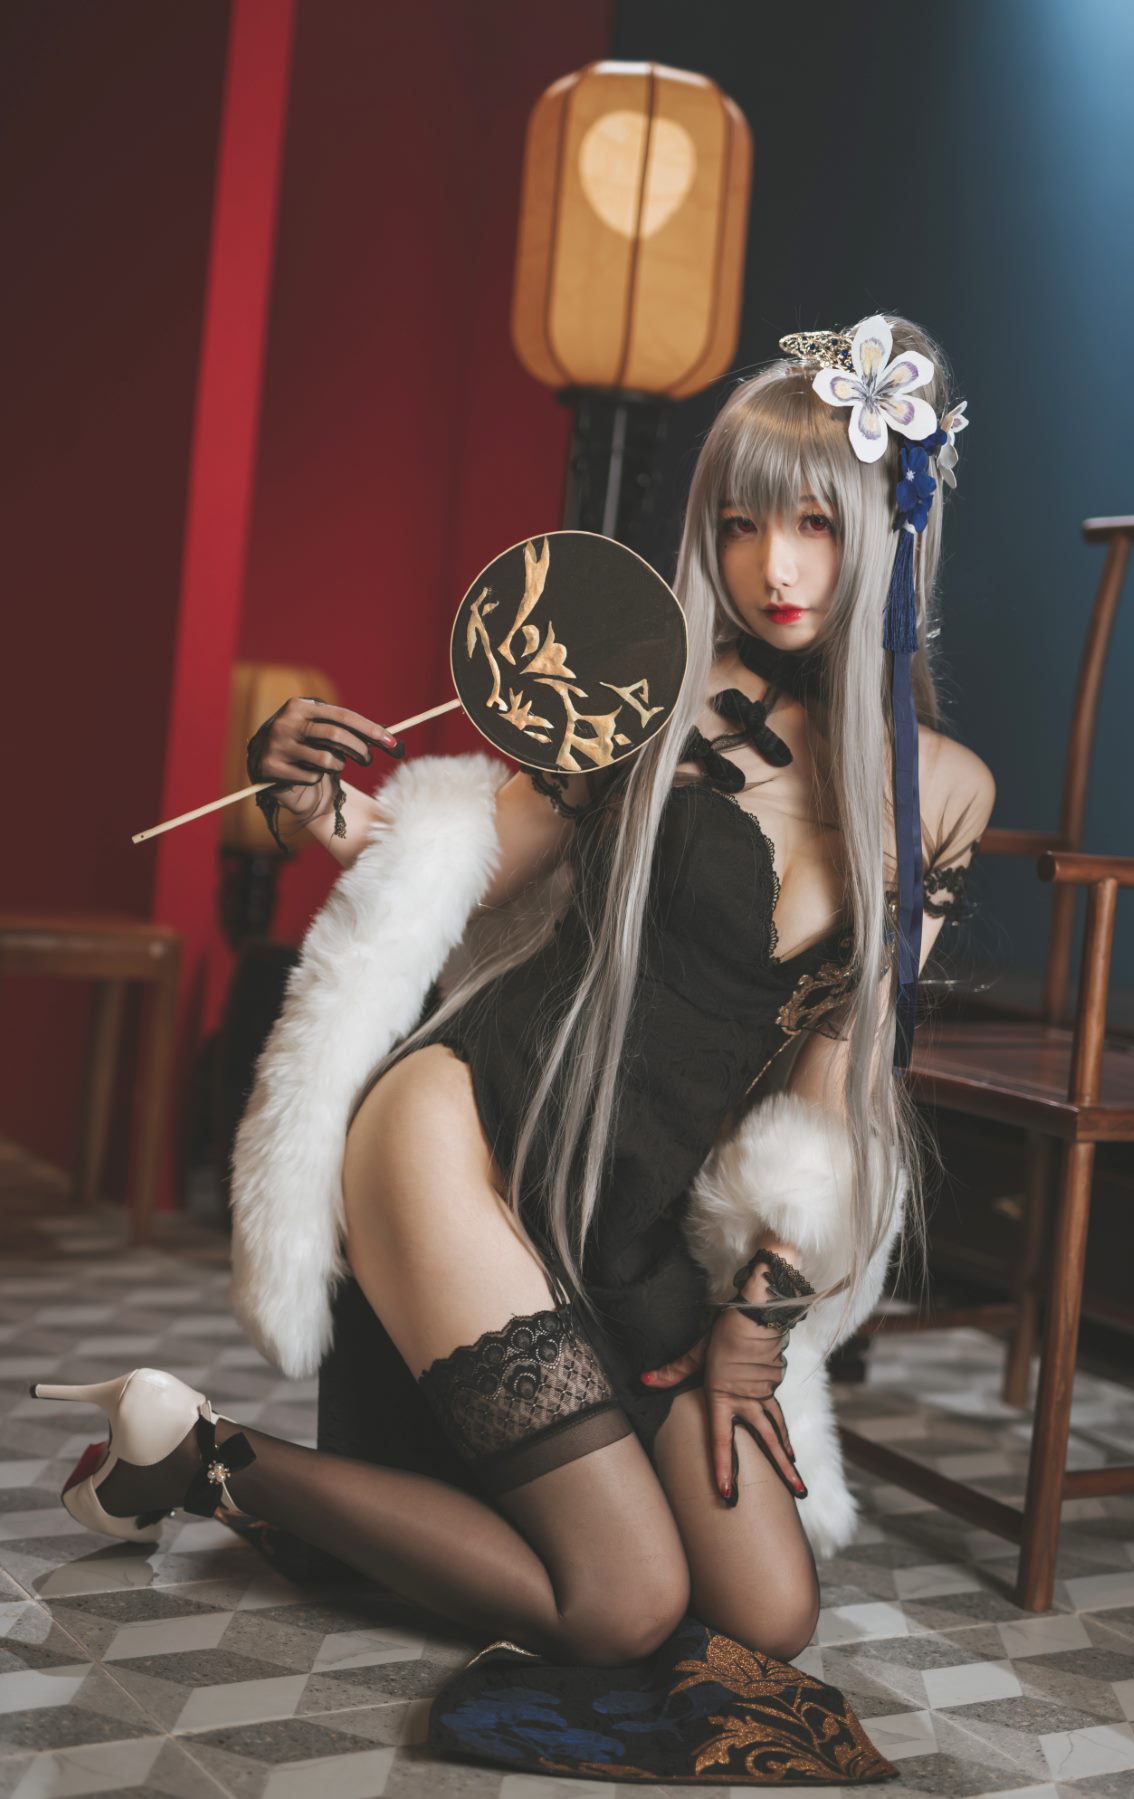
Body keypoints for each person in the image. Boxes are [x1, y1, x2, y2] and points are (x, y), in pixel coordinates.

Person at [35, 313, 994, 1682]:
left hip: (637, 1208)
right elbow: (461, 863)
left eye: (817, 526)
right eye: (740, 526)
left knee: (768, 1616)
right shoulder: (654, 699)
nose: (775, 567)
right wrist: (314, 799)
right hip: (470, 1129)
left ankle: (219, 1464)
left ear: (889, 533)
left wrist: (761, 1314)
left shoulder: (942, 794)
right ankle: (200, 1456)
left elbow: (837, 1081)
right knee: (621, 1607)